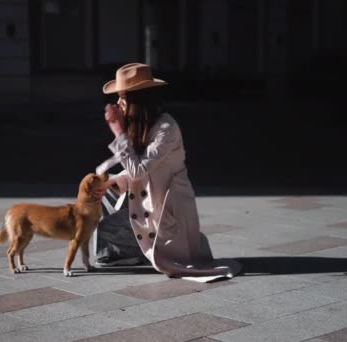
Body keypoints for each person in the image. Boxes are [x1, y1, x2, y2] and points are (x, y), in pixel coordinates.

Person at [93, 63, 240, 282]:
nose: (118, 103)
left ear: (139, 100)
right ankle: (128, 253)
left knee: (106, 227)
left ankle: (138, 252)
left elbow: (139, 169)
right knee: (103, 195)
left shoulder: (166, 129)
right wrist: (111, 183)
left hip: (165, 208)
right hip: (148, 195)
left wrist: (118, 132)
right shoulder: (142, 124)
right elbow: (137, 170)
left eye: (123, 97)